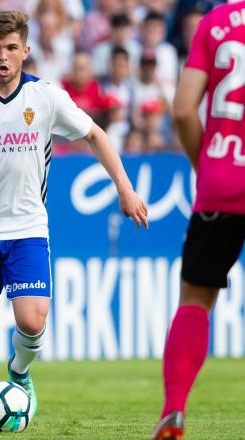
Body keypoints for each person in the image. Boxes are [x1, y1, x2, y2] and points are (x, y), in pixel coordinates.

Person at [0, 11, 148, 430]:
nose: (3, 56)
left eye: (12, 48)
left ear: (25, 52)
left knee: (32, 322)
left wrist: (124, 188)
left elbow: (95, 135)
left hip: (26, 228)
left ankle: (19, 373)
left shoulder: (45, 97)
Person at [151, 2, 245, 439]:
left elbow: (184, 110)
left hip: (222, 181)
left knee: (195, 300)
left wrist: (205, 166)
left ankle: (174, 411)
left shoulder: (217, 22)